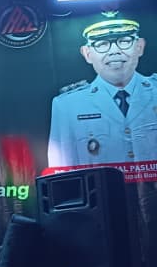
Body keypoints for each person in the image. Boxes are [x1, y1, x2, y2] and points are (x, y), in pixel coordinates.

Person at [47, 17, 157, 169]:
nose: (114, 51)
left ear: (139, 47)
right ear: (87, 54)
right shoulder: (67, 106)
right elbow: (62, 170)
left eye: (124, 41)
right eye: (102, 44)